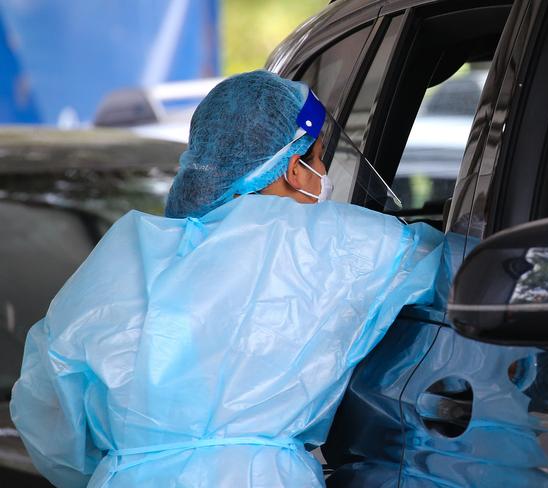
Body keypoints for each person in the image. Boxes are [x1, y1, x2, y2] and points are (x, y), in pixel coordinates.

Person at [10, 70, 449, 487]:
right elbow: (464, 269)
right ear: (295, 168)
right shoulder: (333, 240)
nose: (324, 176)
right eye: (318, 158)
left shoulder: (126, 254)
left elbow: (51, 423)